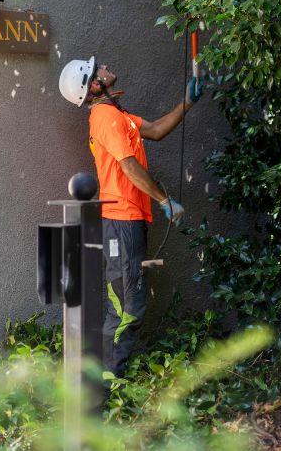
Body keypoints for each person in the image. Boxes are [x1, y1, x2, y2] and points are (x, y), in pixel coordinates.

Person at [58, 56, 203, 381]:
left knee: (124, 303)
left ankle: (103, 383)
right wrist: (164, 200)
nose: (106, 65)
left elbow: (154, 130)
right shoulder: (106, 116)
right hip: (120, 221)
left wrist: (188, 102)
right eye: (99, 68)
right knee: (127, 306)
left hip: (126, 221)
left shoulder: (116, 115)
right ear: (94, 85)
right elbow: (128, 166)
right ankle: (106, 387)